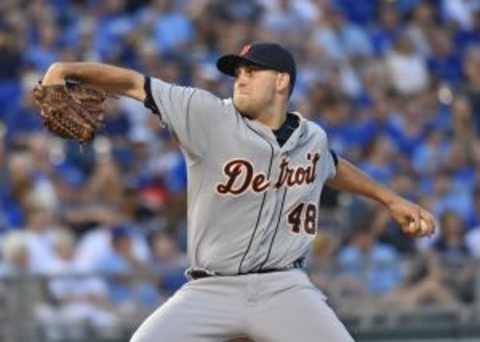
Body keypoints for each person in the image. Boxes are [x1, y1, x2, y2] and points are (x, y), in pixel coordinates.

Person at [38, 42, 435, 342]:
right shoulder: (206, 114)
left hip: (286, 287)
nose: (241, 78)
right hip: (211, 288)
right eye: (238, 71)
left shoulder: (311, 137)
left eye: (253, 71)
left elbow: (330, 165)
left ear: (282, 81)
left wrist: (391, 199)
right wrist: (65, 69)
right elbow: (132, 83)